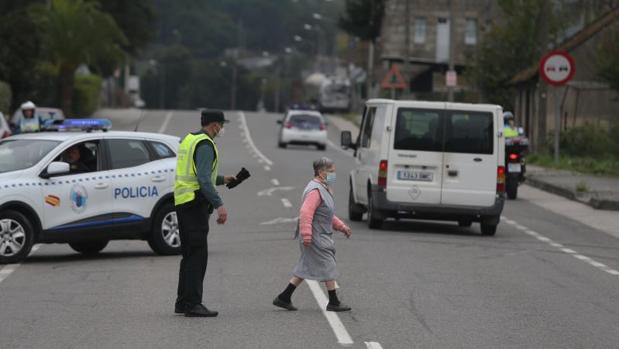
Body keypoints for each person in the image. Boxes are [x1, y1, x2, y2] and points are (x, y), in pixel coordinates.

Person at [174, 109, 235, 318]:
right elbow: (202, 179)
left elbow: (197, 173)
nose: (222, 129)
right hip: (194, 204)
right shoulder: (206, 144)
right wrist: (219, 204)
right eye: (221, 125)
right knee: (197, 256)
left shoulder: (190, 139)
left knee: (189, 254)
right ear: (214, 125)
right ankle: (193, 304)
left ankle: (182, 302)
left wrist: (223, 179)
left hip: (183, 202)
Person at [273, 157, 353, 312]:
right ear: (321, 172)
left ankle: (284, 297)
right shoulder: (315, 190)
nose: (333, 174)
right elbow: (305, 212)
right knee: (328, 263)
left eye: (334, 171)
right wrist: (307, 234)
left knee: (305, 266)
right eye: (330, 171)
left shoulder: (323, 188)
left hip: (319, 233)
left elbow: (326, 214)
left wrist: (342, 227)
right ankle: (334, 301)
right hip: (315, 235)